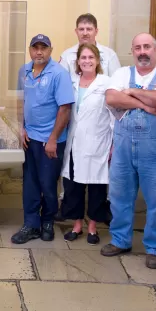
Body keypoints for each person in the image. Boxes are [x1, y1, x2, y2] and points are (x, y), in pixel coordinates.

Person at [101, 33, 156, 269]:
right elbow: (111, 98)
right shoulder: (122, 73)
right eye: (138, 47)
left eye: (147, 46)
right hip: (123, 145)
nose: (142, 51)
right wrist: (144, 103)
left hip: (154, 148)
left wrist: (130, 92)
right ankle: (120, 240)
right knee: (119, 195)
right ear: (132, 50)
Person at [11, 34, 73, 244]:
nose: (39, 52)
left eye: (43, 48)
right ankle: (31, 224)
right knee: (30, 182)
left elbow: (65, 109)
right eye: (35, 47)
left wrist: (54, 138)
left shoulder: (59, 74)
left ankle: (47, 222)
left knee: (48, 184)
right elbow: (21, 101)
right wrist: (21, 127)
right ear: (30, 50)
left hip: (50, 140)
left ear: (50, 50)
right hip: (30, 138)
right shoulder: (24, 71)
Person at [60, 44, 114, 245]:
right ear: (78, 61)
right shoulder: (72, 82)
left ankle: (92, 227)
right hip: (75, 142)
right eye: (83, 57)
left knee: (96, 186)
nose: (87, 61)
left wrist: (113, 144)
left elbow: (114, 115)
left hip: (98, 141)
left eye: (91, 57)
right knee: (73, 185)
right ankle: (76, 225)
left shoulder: (106, 83)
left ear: (98, 61)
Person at [59, 13, 121, 79]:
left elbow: (117, 82)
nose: (85, 33)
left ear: (96, 31)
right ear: (76, 32)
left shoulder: (110, 54)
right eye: (81, 29)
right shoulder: (66, 55)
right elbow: (61, 82)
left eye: (89, 29)